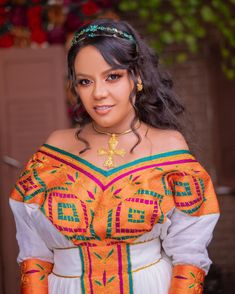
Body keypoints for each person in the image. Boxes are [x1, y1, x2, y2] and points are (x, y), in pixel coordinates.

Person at [10, 18, 220, 294]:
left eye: (113, 77)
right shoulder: (54, 150)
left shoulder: (169, 147)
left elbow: (188, 258)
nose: (98, 93)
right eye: (85, 81)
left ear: (138, 77)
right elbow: (34, 255)